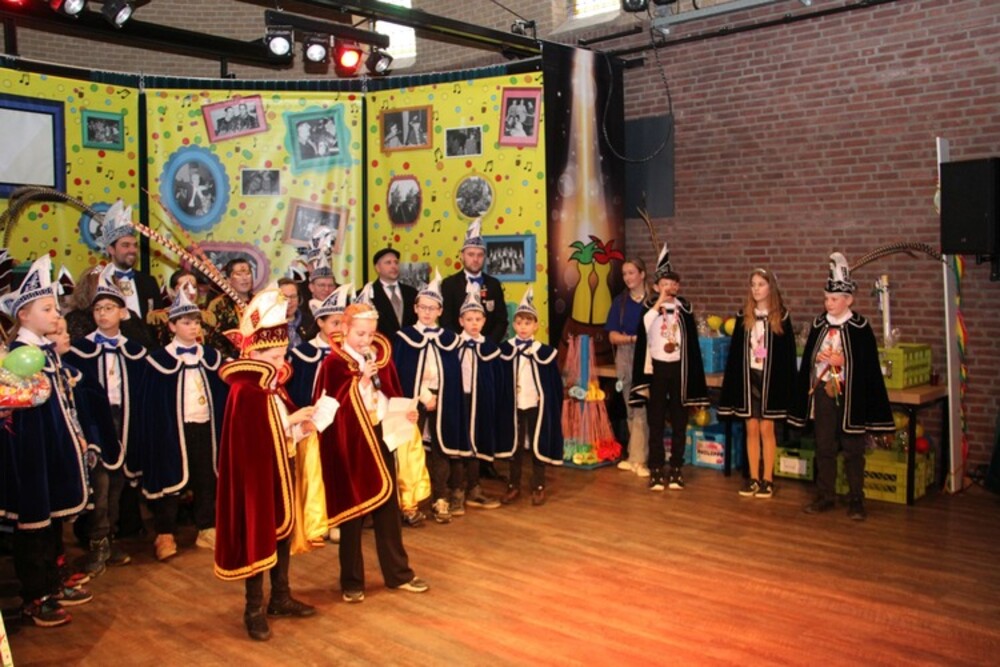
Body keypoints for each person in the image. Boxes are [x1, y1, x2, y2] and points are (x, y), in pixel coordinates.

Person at [215, 286, 318, 641]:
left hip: (280, 468)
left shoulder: (272, 385)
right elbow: (254, 434)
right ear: (254, 353)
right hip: (256, 478)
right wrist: (291, 421)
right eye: (274, 356)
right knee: (257, 536)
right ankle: (253, 608)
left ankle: (281, 596)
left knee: (281, 533)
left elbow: (280, 428)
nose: (280, 361)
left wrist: (301, 426)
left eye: (282, 354)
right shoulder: (245, 389)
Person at [315, 302, 429, 602]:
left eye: (371, 334)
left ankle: (398, 573)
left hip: (379, 435)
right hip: (350, 442)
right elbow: (332, 407)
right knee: (353, 511)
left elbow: (389, 394)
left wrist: (404, 413)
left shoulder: (380, 359)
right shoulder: (333, 364)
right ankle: (352, 581)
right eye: (360, 334)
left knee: (388, 507)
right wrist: (361, 379)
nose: (366, 340)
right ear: (345, 329)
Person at [0, 255, 92, 627]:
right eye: (47, 309)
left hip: (52, 450)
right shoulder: (20, 357)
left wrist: (77, 438)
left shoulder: (45, 353)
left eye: (56, 308)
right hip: (31, 455)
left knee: (52, 523)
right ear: (23, 315)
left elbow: (64, 403)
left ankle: (52, 584)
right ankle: (35, 596)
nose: (56, 315)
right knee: (34, 526)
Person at [789, 253, 894, 521]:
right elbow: (810, 356)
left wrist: (845, 360)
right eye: (826, 299)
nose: (829, 303)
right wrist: (818, 357)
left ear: (849, 300)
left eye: (834, 299)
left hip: (851, 395)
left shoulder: (860, 326)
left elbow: (868, 363)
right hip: (824, 391)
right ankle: (825, 495)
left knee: (853, 448)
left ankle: (856, 498)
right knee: (824, 445)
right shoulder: (819, 324)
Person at [64, 266, 148, 575]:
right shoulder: (79, 350)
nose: (102, 314)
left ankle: (110, 537)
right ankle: (97, 541)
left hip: (124, 420)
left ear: (122, 313)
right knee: (99, 483)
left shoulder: (135, 352)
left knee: (117, 484)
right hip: (96, 425)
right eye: (98, 308)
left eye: (109, 308)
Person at [138, 288, 228, 561]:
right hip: (173, 431)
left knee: (206, 477)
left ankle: (206, 527)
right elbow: (149, 404)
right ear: (172, 326)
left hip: (205, 426)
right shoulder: (158, 361)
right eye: (186, 323)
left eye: (196, 322)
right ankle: (165, 533)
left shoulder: (211, 357)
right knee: (171, 481)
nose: (193, 327)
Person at [630, 244, 709, 492]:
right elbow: (644, 325)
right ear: (656, 287)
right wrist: (659, 304)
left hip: (679, 371)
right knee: (655, 420)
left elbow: (691, 345)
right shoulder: (650, 309)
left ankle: (676, 468)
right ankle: (656, 468)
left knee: (679, 419)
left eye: (673, 284)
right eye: (664, 284)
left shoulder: (684, 310)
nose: (669, 288)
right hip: (656, 370)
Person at [392, 270, 469, 524]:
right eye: (423, 307)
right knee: (410, 449)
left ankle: (441, 497)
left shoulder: (449, 339)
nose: (427, 312)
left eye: (432, 308)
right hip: (415, 400)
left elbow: (452, 375)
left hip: (444, 399)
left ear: (440, 311)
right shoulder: (405, 338)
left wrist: (439, 396)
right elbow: (403, 374)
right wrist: (424, 396)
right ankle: (411, 501)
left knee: (441, 449)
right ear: (415, 308)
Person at [719, 269, 797, 498]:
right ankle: (753, 478)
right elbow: (736, 354)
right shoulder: (744, 316)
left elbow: (787, 355)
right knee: (751, 427)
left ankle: (768, 479)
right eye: (753, 284)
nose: (756, 289)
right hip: (749, 377)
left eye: (761, 284)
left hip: (770, 379)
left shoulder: (781, 316)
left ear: (770, 287)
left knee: (766, 428)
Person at [494, 288, 563, 506]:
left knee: (537, 443)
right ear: (514, 326)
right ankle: (513, 485)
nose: (523, 327)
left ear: (536, 326)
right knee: (514, 445)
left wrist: (546, 398)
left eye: (528, 323)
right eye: (519, 323)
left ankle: (538, 484)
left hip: (535, 404)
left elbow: (552, 384)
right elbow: (500, 380)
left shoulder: (544, 352)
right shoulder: (505, 350)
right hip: (514, 404)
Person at [455, 285, 503, 512]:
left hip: (480, 399)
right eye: (469, 319)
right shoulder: (452, 344)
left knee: (476, 443)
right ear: (461, 321)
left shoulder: (489, 347)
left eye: (477, 319)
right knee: (458, 444)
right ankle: (456, 490)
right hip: (459, 400)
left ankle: (474, 488)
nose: (474, 323)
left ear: (484, 321)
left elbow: (496, 377)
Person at [604, 258, 652, 478]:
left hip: (647, 358)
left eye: (631, 272)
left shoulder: (653, 301)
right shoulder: (620, 302)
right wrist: (631, 339)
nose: (627, 277)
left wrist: (638, 340)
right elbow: (613, 336)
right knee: (630, 407)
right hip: (625, 356)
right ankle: (635, 455)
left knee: (641, 407)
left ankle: (639, 458)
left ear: (642, 274)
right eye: (624, 274)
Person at [98, 200, 163, 338]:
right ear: (111, 249)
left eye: (135, 245)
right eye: (126, 245)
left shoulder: (149, 282)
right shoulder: (100, 280)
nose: (132, 250)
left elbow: (157, 322)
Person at [441, 218, 508, 343]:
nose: (475, 259)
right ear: (462, 256)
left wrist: (488, 344)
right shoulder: (449, 284)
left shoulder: (494, 284)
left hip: (487, 348)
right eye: (471, 254)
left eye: (480, 255)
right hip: (457, 347)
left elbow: (501, 321)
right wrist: (460, 343)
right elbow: (445, 321)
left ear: (484, 257)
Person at [287, 283, 351, 410]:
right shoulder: (301, 354)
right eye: (335, 323)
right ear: (321, 322)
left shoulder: (349, 353)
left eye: (344, 324)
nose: (340, 329)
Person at [146, 269, 218, 349]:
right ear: (172, 291)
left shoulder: (207, 317)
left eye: (194, 287)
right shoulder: (161, 318)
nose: (191, 292)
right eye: (185, 288)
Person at [207, 258, 254, 359]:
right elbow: (213, 339)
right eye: (239, 274)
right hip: (230, 361)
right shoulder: (219, 305)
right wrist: (229, 360)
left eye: (248, 274)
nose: (244, 278)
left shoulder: (259, 301)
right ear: (228, 280)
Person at [368, 247, 417, 338]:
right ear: (377, 268)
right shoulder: (367, 295)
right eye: (388, 262)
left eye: (396, 262)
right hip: (382, 345)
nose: (394, 266)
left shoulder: (412, 293)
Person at [278, 278, 308, 350]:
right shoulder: (268, 325)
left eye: (293, 296)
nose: (289, 301)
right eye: (284, 297)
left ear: (299, 299)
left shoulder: (310, 323)